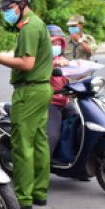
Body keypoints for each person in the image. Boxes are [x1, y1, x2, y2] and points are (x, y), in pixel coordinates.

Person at [0, 0, 52, 209]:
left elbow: (27, 64)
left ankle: (23, 197)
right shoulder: (37, 24)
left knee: (22, 145)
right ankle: (39, 192)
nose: (7, 13)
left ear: (22, 4)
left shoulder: (29, 28)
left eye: (9, 8)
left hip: (29, 92)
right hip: (41, 89)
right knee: (39, 141)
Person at [47, 25, 71, 154]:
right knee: (52, 136)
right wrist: (53, 64)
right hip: (50, 103)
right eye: (53, 42)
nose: (56, 45)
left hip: (65, 102)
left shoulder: (61, 60)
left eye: (58, 42)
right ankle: (41, 167)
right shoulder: (39, 60)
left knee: (82, 123)